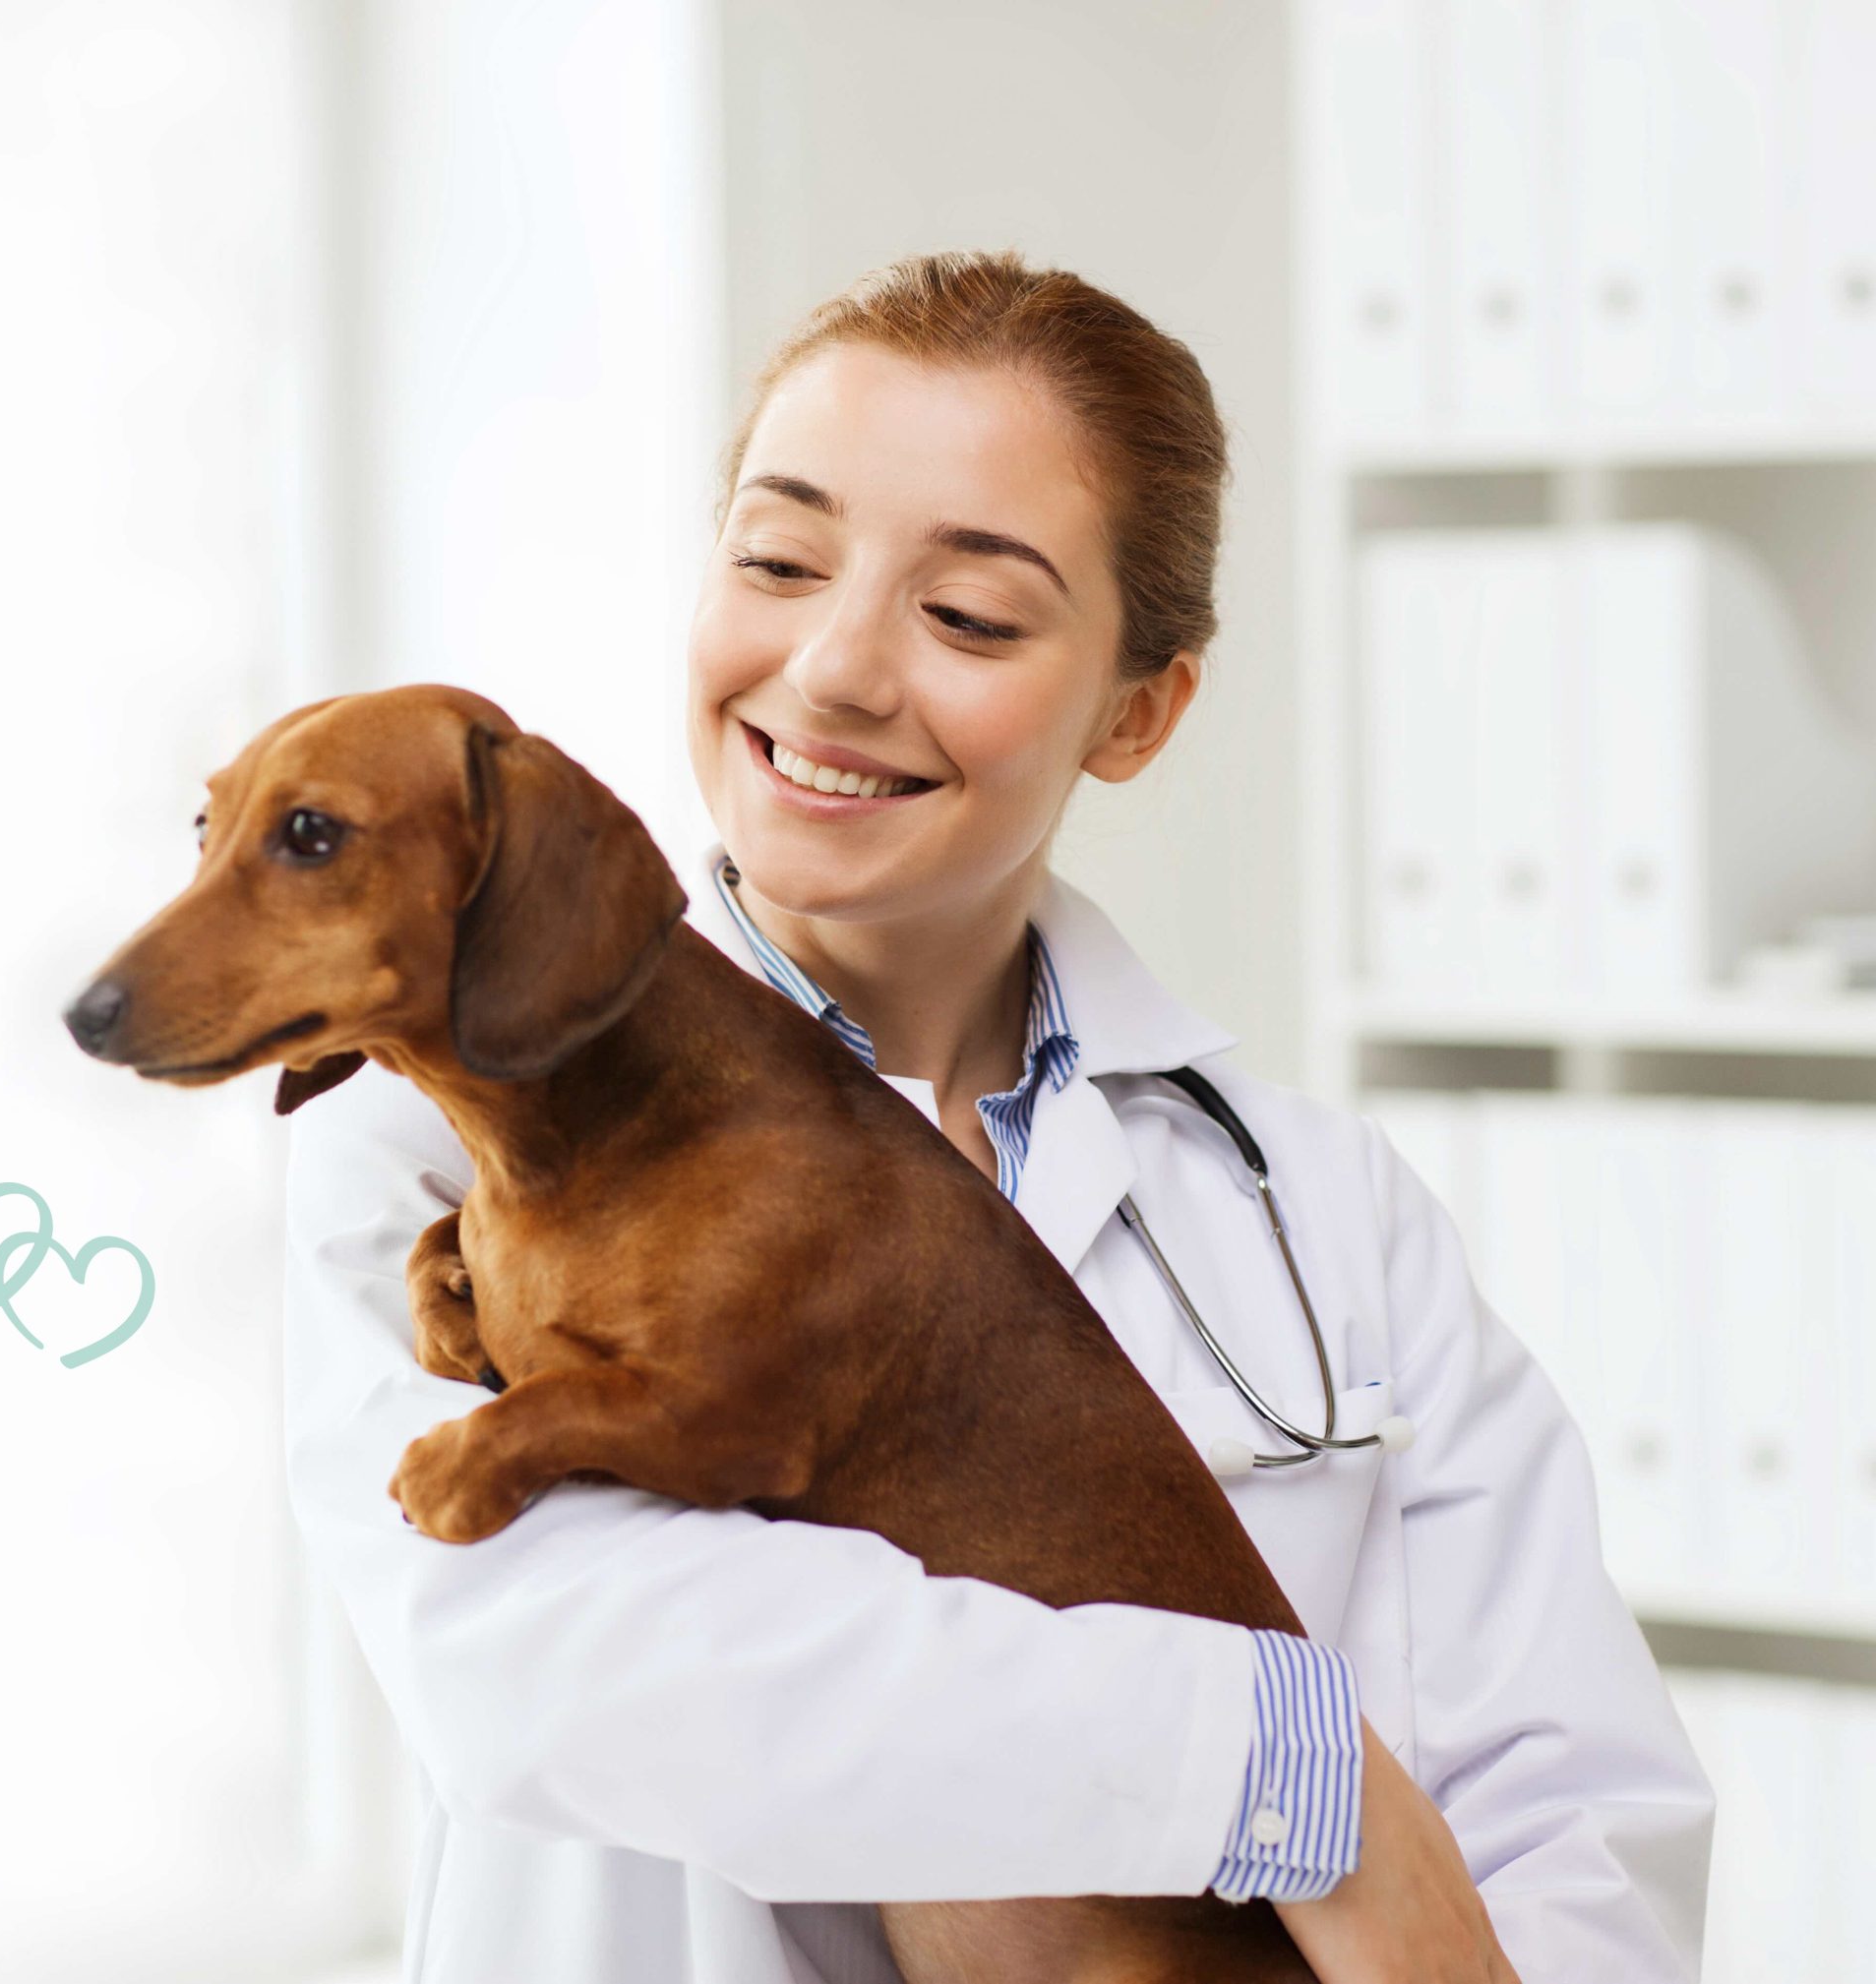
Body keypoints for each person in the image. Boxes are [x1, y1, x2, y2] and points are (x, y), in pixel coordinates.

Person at [278, 251, 1714, 1982]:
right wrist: (1284, 1766)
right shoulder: (431, 1132)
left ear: (1139, 709)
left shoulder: (1323, 1215)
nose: (830, 671)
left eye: (967, 616)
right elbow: (546, 1665)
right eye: (779, 560)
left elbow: (1581, 1823)